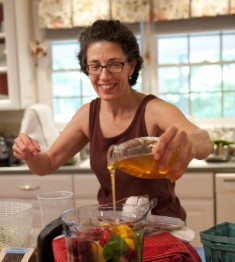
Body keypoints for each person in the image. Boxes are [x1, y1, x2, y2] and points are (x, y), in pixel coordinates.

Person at [13, 20, 214, 221]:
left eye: (114, 64)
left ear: (131, 66)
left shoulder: (153, 110)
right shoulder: (87, 115)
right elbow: (47, 163)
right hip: (113, 230)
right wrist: (29, 154)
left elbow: (203, 140)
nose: (104, 76)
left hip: (162, 227)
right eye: (95, 66)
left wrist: (191, 141)